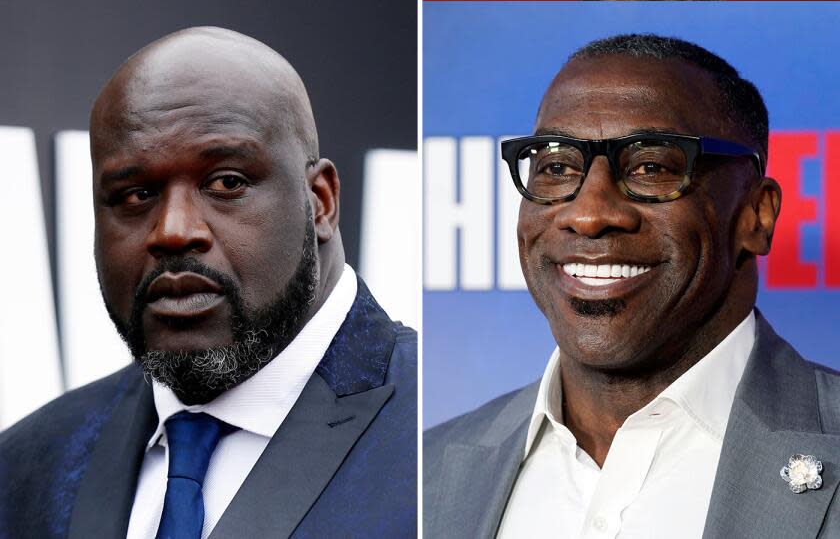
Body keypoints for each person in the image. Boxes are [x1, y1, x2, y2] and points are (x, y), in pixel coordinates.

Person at [0, 27, 416, 538]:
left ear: (320, 201)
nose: (173, 231)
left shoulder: (436, 441)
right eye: (135, 194)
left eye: (226, 183)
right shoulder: (27, 468)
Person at [424, 34, 840, 538]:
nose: (590, 214)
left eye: (651, 167)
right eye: (556, 167)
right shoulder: (430, 469)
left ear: (757, 214)